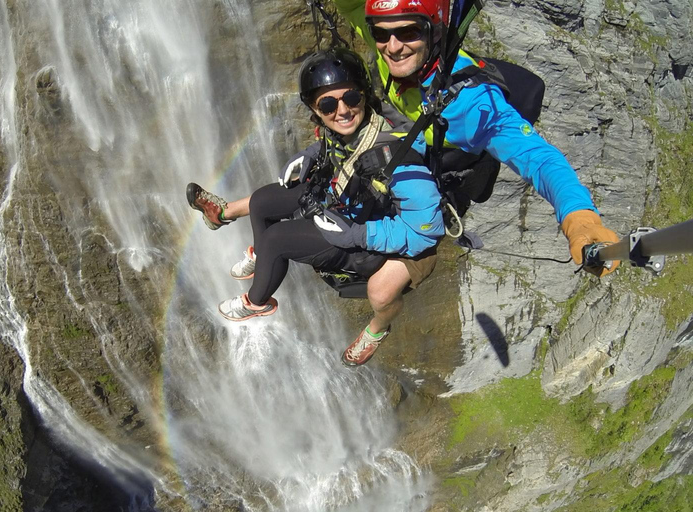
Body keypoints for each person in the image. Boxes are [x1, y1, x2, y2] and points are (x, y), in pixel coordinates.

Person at [188, 47, 443, 366]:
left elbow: (428, 232)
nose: (343, 110)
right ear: (314, 109)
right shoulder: (345, 132)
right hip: (348, 200)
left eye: (351, 98)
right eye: (327, 104)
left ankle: (257, 301)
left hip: (374, 237)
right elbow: (336, 148)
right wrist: (311, 154)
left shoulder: (398, 157)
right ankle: (248, 242)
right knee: (264, 202)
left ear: (364, 95)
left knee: (277, 240)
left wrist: (359, 235)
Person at [330, 0, 620, 275]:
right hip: (420, 130)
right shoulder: (389, 48)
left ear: (435, 30)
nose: (392, 47)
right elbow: (353, 5)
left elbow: (539, 158)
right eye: (381, 33)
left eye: (408, 32)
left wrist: (579, 219)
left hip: (452, 156)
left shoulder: (473, 104)